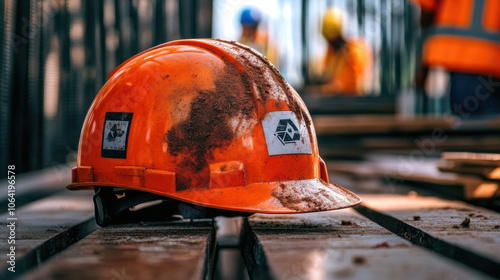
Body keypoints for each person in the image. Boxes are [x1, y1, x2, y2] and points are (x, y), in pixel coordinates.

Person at [413, 0, 500, 117]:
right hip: (490, 61)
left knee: (470, 125)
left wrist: (423, 59)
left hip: (464, 58)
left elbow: (427, 8)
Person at [318, 7, 373, 96]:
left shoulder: (356, 51)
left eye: (334, 41)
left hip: (352, 103)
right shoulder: (333, 50)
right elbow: (327, 75)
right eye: (330, 42)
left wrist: (321, 90)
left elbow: (354, 86)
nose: (332, 46)